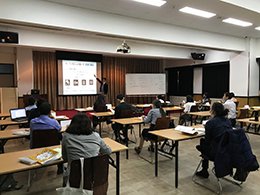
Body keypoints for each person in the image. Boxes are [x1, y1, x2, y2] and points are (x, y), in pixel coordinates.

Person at [62, 113, 112, 191]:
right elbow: (108, 151)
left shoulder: (66, 136)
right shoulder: (96, 136)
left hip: (74, 178)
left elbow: (64, 158)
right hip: (94, 177)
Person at [195, 102, 232, 178]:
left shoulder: (210, 123)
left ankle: (204, 170)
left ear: (213, 111)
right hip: (228, 150)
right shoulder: (228, 121)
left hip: (216, 152)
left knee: (203, 143)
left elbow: (208, 140)